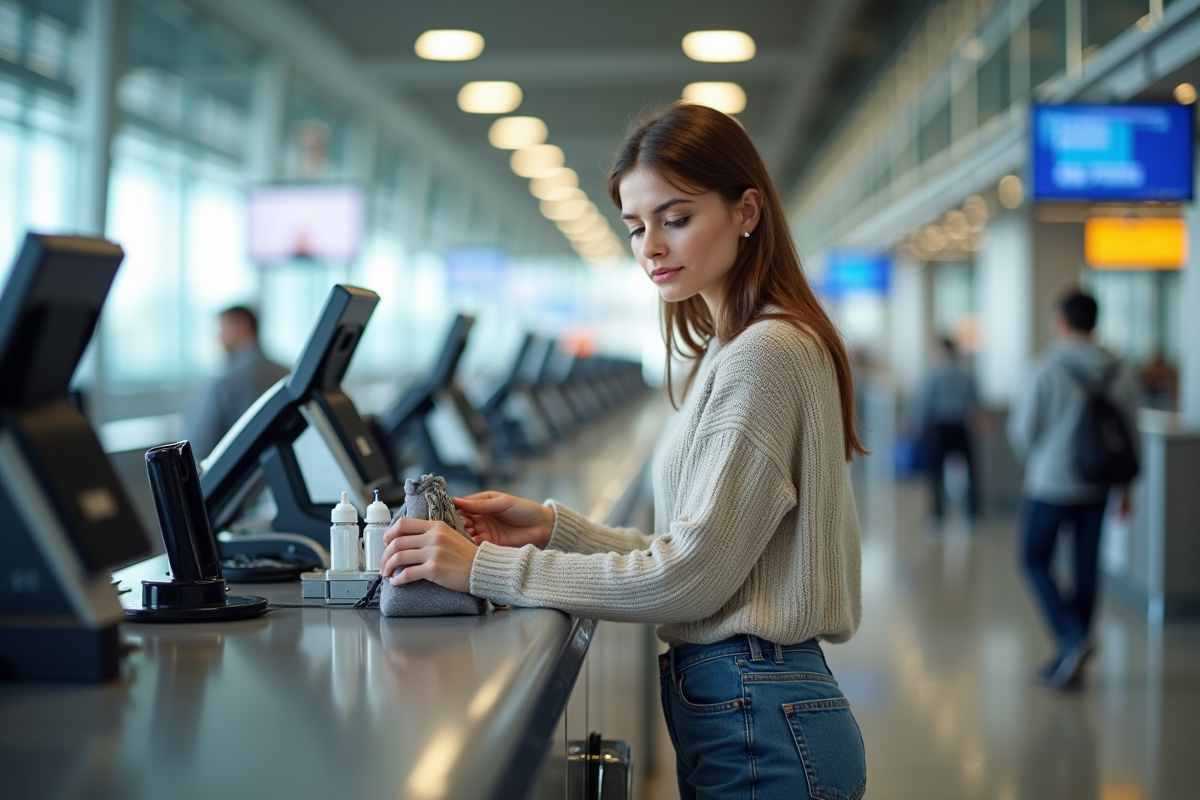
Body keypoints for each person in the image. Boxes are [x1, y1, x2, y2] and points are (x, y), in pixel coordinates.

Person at [380, 103, 868, 799]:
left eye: (676, 218)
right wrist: (553, 529)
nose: (651, 247)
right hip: (751, 703)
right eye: (637, 227)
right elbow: (701, 551)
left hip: (759, 713)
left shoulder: (765, 353)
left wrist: (485, 569)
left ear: (746, 210)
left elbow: (691, 578)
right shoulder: (735, 347)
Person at [1008, 291, 1139, 690]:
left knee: (1033, 557)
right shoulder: (1120, 370)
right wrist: (1126, 486)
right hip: (1099, 484)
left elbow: (1023, 431)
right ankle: (1073, 650)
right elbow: (1130, 433)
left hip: (1050, 484)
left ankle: (1071, 636)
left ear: (1062, 321)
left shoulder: (1046, 367)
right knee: (1086, 565)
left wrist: (1041, 461)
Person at [183, 305, 289, 459]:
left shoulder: (223, 384)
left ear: (241, 326)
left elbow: (197, 449)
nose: (219, 338)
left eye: (223, 330)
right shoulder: (287, 374)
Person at [914, 336, 981, 521]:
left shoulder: (934, 376)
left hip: (940, 427)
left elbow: (924, 404)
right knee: (970, 469)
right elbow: (975, 404)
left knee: (936, 471)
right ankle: (973, 510)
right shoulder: (967, 376)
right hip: (960, 427)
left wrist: (917, 425)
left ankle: (937, 512)